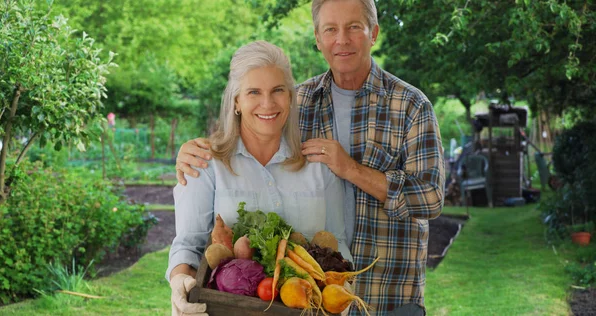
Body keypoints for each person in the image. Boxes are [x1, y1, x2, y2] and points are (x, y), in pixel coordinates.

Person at [176, 1, 445, 314]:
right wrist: (193, 152)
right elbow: (253, 124)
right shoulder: (298, 99)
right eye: (330, 29)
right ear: (318, 38)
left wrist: (351, 169)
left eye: (354, 27)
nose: (341, 39)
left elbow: (432, 198)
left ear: (373, 33)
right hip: (310, 300)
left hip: (388, 291)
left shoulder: (410, 106)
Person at [167, 40, 352, 316]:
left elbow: (338, 243)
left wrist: (343, 295)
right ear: (237, 101)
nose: (268, 103)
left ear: (290, 98)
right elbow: (188, 245)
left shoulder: (320, 168)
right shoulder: (206, 164)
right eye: (254, 92)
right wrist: (180, 281)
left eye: (278, 90)